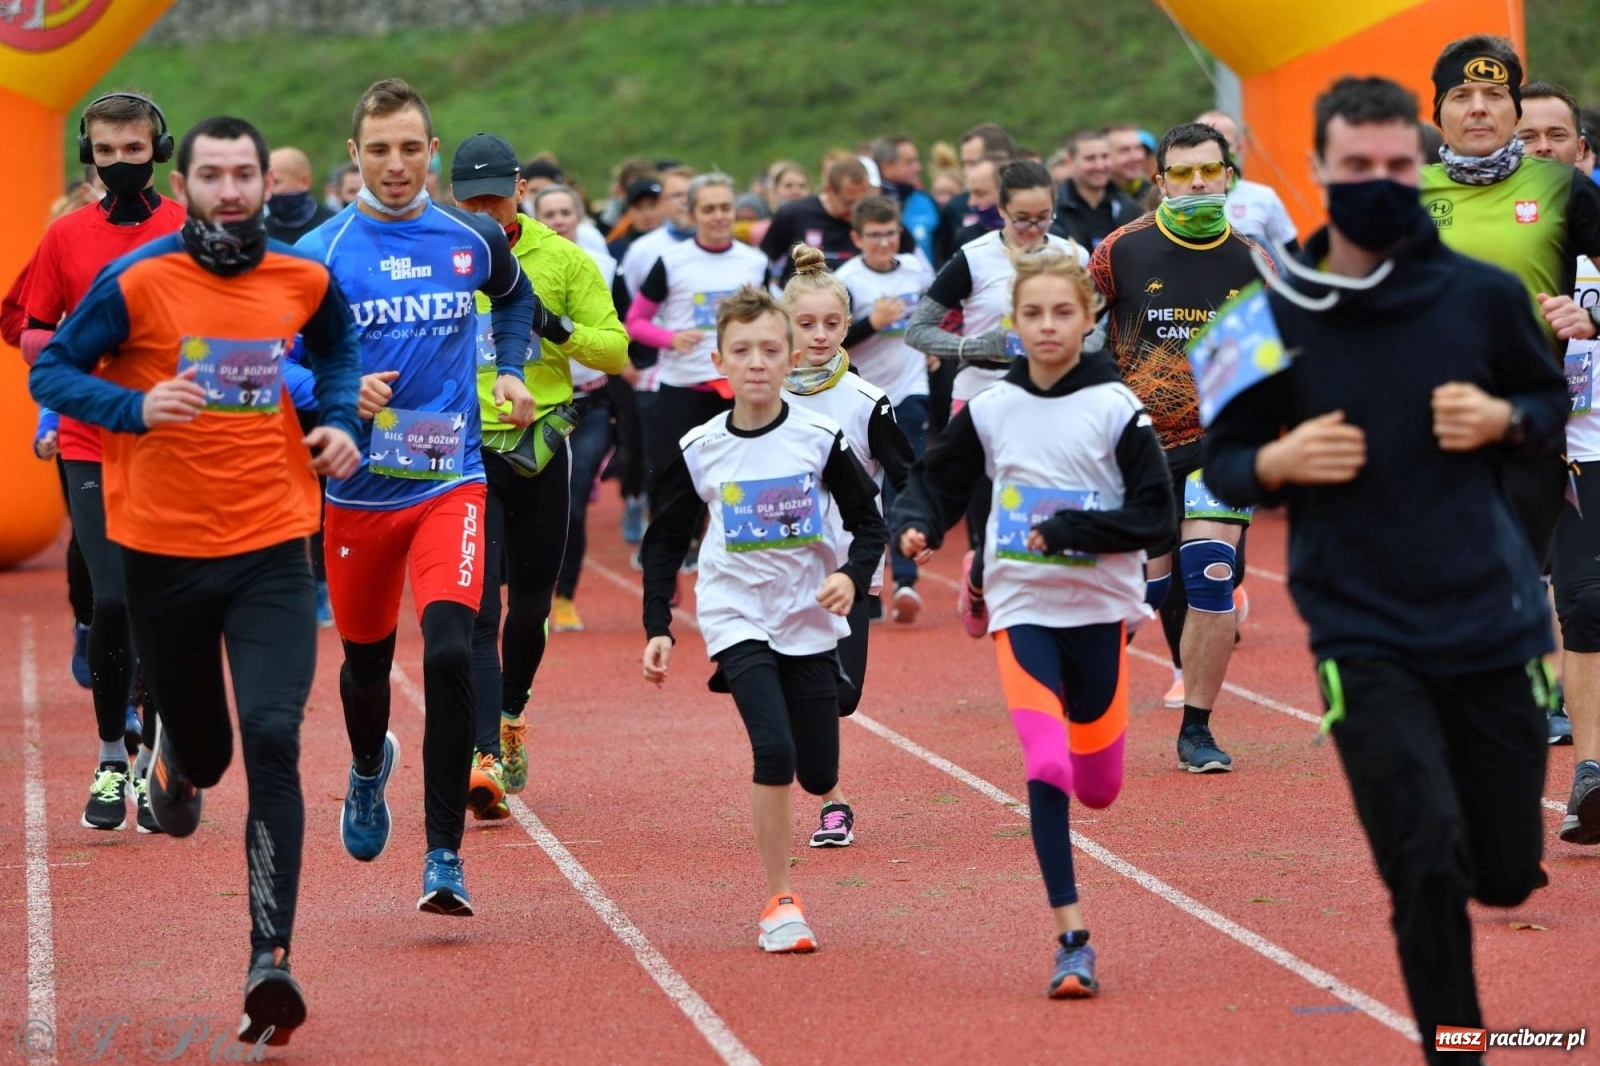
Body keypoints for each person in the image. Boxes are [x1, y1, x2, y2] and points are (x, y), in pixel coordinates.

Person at [1202, 76, 1566, 1066]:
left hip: (1490, 617)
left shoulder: (1483, 296)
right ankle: (1456, 1048)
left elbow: (1544, 416)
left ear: (1423, 168)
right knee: (1424, 855)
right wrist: (1273, 463)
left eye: (1397, 166)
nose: (1378, 181)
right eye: (1356, 166)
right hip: (1361, 628)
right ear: (1317, 170)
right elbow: (1221, 459)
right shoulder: (1262, 309)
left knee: (1500, 871)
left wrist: (1502, 420)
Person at [30, 114, 364, 1049]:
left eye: (242, 174)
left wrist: (340, 422)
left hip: (272, 546)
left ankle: (272, 959)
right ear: (193, 180)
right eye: (211, 174)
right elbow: (51, 370)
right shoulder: (138, 280)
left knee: (272, 738)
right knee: (211, 761)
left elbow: (337, 353)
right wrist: (132, 406)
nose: (228, 189)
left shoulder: (302, 276)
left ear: (263, 182)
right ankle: (176, 759)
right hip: (164, 553)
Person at [291, 79, 547, 916]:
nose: (396, 165)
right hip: (361, 497)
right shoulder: (320, 251)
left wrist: (509, 369)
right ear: (353, 154)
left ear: (432, 152)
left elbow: (516, 300)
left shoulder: (469, 237)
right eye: (378, 150)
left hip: (452, 483)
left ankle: (443, 856)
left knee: (447, 650)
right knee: (365, 665)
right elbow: (269, 358)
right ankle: (369, 768)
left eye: (410, 148)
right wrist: (335, 384)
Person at [893, 249, 1172, 998]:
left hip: (1101, 608)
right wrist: (917, 525)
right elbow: (935, 481)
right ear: (1013, 324)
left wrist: (1078, 529)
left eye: (1063, 313)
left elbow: (1158, 516)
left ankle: (1089, 781)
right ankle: (1072, 939)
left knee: (1101, 786)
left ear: (1087, 323)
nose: (1048, 326)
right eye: (1033, 313)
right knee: (1046, 765)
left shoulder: (1116, 409)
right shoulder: (990, 407)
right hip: (1021, 605)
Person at [639, 285, 888, 952]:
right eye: (742, 350)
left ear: (788, 360)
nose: (756, 362)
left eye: (769, 350)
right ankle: (781, 900)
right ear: (719, 361)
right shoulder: (698, 447)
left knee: (814, 768)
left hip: (806, 612)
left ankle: (819, 733)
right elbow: (664, 540)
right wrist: (658, 623)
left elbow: (869, 525)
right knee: (772, 750)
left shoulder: (820, 437)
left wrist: (849, 576)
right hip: (734, 611)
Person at [1419, 35, 1600, 745]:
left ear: (1512, 107)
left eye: (1495, 95)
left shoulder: (1562, 190)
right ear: (1438, 113)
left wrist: (1591, 315)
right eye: (1462, 95)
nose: (1479, 107)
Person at [444, 138, 628, 819]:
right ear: (453, 195)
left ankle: (513, 710)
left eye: (497, 195)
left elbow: (614, 349)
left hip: (542, 445)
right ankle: (482, 752)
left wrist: (555, 326)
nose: (486, 208)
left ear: (520, 187)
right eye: (472, 199)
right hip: (464, 448)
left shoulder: (563, 259)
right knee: (476, 608)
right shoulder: (438, 250)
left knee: (528, 608)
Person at [19, 89, 186, 833]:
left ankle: (161, 750)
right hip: (91, 440)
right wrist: (83, 356)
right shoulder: (66, 238)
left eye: (135, 149)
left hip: (177, 441)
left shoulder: (190, 231)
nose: (122, 162)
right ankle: (112, 757)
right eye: (107, 151)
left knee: (164, 601)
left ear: (160, 148)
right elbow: (30, 329)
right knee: (113, 599)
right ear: (88, 154)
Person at [1089, 122, 1268, 772]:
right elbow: (1076, 331)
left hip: (1219, 446)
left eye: (1208, 172)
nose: (1197, 185)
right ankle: (1110, 689)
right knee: (1151, 589)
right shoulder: (1120, 251)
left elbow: (1268, 364)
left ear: (1228, 176)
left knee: (1211, 569)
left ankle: (1198, 728)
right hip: (1135, 450)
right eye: (1183, 174)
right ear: (1160, 181)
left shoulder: (1256, 261)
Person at [907, 160, 1087, 637]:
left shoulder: (1073, 257)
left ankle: (1035, 610)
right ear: (1000, 211)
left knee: (1040, 507)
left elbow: (1099, 331)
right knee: (988, 522)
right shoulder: (974, 257)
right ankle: (980, 578)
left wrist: (1066, 348)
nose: (1032, 229)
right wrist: (970, 347)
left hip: (1051, 399)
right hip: (981, 396)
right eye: (1021, 219)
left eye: (1043, 217)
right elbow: (917, 330)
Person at [781, 245, 916, 845]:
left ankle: (813, 766)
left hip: (850, 567)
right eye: (805, 324)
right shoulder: (762, 397)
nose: (819, 335)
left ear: (847, 324)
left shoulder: (867, 401)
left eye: (832, 324)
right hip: (778, 568)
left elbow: (908, 475)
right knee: (796, 681)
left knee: (843, 694)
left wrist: (918, 527)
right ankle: (832, 802)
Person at [1514, 81, 1600, 841]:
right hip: (1545, 455)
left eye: (1557, 135)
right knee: (1571, 605)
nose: (1542, 146)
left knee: (1586, 602)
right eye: (1528, 135)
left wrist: (1594, 318)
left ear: (1583, 150)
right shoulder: (1493, 243)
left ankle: (1590, 773)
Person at [626, 172, 769, 534]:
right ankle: (667, 566)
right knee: (675, 484)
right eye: (709, 209)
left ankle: (733, 553)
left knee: (741, 481)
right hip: (682, 386)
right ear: (691, 214)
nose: (719, 216)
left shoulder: (754, 262)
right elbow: (635, 322)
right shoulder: (671, 261)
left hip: (739, 389)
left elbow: (769, 320)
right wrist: (670, 338)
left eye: (725, 207)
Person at [528, 182, 630, 637]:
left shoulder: (603, 266)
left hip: (588, 402)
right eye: (549, 212)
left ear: (579, 215)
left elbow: (623, 333)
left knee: (574, 497)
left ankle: (565, 597)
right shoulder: (512, 267)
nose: (559, 219)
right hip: (534, 402)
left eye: (567, 211)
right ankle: (527, 591)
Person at [837, 196, 936, 621]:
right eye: (874, 236)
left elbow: (936, 310)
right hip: (861, 398)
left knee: (903, 483)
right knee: (864, 491)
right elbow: (832, 342)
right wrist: (872, 324)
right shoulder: (847, 281)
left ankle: (907, 581)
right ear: (857, 238)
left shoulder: (916, 268)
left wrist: (932, 344)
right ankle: (868, 584)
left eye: (890, 234)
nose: (883, 243)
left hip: (910, 390)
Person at [761, 157, 913, 286]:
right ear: (829, 191)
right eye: (848, 203)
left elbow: (911, 259)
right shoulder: (794, 214)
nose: (855, 211)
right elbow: (764, 262)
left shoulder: (874, 217)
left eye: (862, 202)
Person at [1194, 110, 1300, 252]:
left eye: (1223, 144)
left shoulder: (1264, 197)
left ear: (1240, 147)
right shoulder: (1173, 200)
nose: (1213, 152)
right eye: (1203, 144)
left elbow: (1292, 256)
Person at [1051, 130, 1141, 250]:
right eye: (1090, 158)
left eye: (1105, 157)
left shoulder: (1129, 208)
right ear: (1070, 162)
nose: (1100, 165)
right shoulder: (1053, 209)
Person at [871, 135, 939, 262]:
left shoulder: (927, 201)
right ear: (886, 167)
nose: (918, 167)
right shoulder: (868, 207)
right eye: (909, 162)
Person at [265, 147, 336, 245]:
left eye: (276, 183)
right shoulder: (260, 232)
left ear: (304, 182)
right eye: (265, 184)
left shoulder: (334, 227)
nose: (269, 191)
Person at [1105, 125, 1162, 210]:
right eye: (1124, 150)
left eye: (1138, 148)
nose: (1136, 157)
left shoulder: (1156, 194)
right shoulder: (1094, 197)